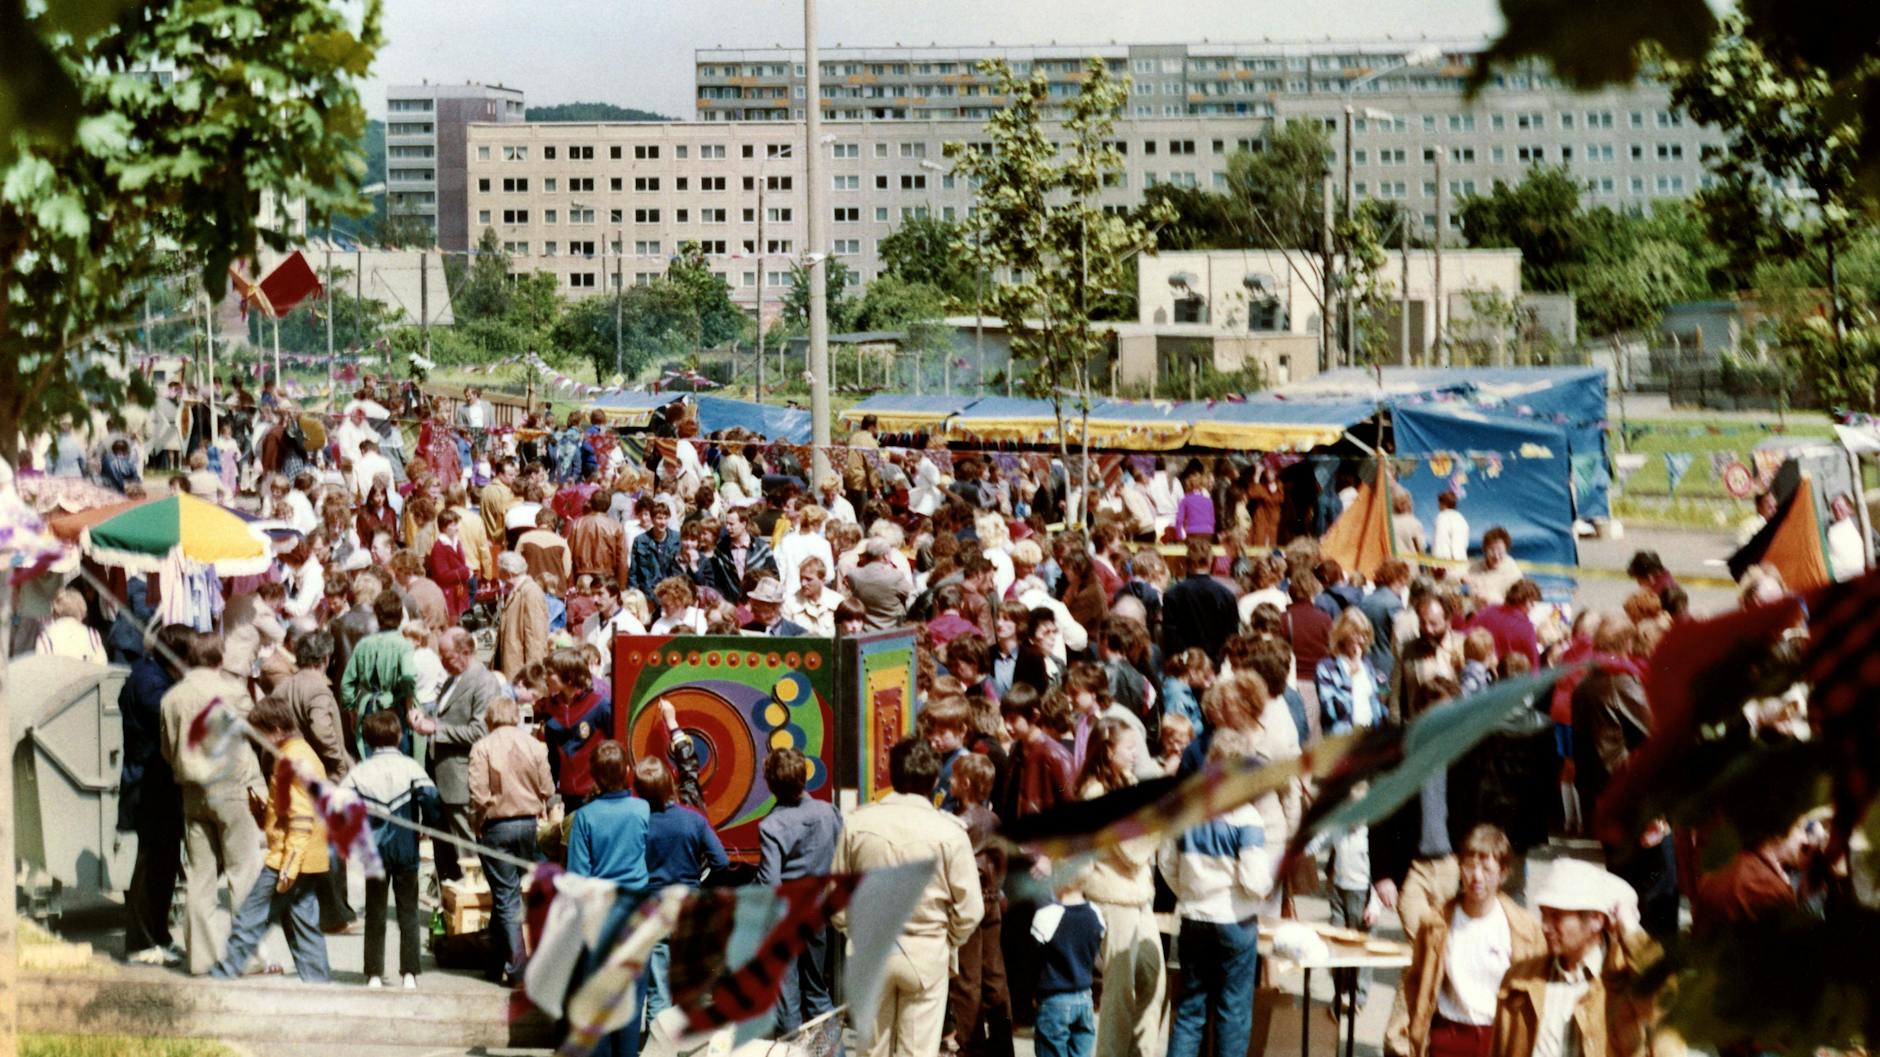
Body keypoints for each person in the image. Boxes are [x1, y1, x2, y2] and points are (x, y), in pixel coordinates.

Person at [833, 739, 984, 1057]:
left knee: (870, 1051)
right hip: (925, 953)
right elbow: (971, 908)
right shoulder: (949, 831)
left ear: (891, 774)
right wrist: (948, 939)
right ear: (934, 779)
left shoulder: (858, 823)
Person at [1160, 728, 1279, 1057]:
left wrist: (1189, 893)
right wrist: (1261, 889)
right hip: (1234, 920)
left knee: (1190, 1010)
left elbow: (1167, 864)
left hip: (1194, 915)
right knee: (1233, 1011)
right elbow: (1254, 881)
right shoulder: (1246, 817)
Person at [1387, 824, 1544, 1057]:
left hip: (1498, 1038)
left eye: (1487, 869)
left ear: (1503, 873)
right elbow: (1415, 982)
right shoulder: (1436, 923)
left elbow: (1540, 992)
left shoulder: (1524, 929)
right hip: (1449, 1037)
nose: (1477, 877)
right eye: (1469, 866)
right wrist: (1417, 1031)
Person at [160, 632, 266, 976]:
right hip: (231, 786)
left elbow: (167, 748)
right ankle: (246, 956)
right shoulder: (232, 693)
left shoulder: (172, 698)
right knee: (243, 873)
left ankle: (199, 958)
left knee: (199, 878)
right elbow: (259, 732)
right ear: (220, 659)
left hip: (191, 790)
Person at [209, 695, 332, 983]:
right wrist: (267, 813)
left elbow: (301, 817)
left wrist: (289, 865)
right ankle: (319, 985)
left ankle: (224, 975)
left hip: (289, 858)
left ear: (275, 729)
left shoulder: (290, 759)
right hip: (308, 856)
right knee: (303, 924)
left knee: (251, 917)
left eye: (260, 734)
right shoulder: (302, 751)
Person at [1493, 860, 1657, 1057]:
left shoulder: (1625, 981)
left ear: (1595, 920)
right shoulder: (1519, 979)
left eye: (1556, 916)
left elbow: (1665, 998)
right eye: (1544, 915)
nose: (1544, 926)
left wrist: (1630, 930)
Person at [1078, 724, 1163, 1057]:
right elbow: (1132, 850)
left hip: (1139, 897)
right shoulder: (1095, 794)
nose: (1135, 753)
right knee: (1120, 992)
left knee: (1153, 981)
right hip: (1113, 899)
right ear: (1108, 751)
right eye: (1129, 747)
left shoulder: (1127, 783)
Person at [340, 709, 441, 989]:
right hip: (406, 848)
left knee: (375, 911)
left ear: (367, 739)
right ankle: (409, 974)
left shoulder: (359, 772)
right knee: (408, 911)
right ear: (398, 736)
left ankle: (374, 973)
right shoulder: (411, 767)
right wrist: (429, 824)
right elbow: (431, 800)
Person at [119, 623, 193, 965]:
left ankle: (158, 934)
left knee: (165, 862)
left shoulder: (153, 675)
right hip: (147, 784)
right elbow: (172, 719)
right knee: (150, 864)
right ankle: (140, 941)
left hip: (158, 782)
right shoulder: (150, 682)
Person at [468, 696, 554, 984]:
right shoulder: (534, 745)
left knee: (506, 896)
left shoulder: (482, 747)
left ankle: (518, 967)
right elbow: (547, 788)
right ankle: (494, 964)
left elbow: (479, 795)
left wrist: (476, 824)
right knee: (506, 894)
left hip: (497, 826)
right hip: (528, 825)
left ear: (490, 718)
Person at [757, 747, 843, 1035]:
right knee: (817, 990)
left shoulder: (771, 826)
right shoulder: (828, 812)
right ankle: (833, 1051)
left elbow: (770, 883)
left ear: (771, 784)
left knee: (788, 998)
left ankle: (794, 1049)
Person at [639, 755, 729, 1023]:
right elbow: (721, 861)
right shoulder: (693, 820)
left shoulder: (639, 823)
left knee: (658, 992)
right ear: (670, 784)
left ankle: (659, 1042)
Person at [944, 753, 1009, 1057]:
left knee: (966, 980)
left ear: (967, 783)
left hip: (968, 906)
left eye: (955, 777)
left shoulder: (959, 823)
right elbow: (1002, 860)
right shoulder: (992, 820)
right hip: (991, 903)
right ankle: (1002, 1043)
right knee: (994, 974)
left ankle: (972, 1046)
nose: (949, 781)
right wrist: (996, 891)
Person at [421, 628, 497, 883]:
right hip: (441, 777)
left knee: (466, 852)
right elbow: (445, 717)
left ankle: (473, 900)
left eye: (447, 657)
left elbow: (480, 731)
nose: (442, 663)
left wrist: (436, 729)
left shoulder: (484, 682)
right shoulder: (452, 679)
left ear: (465, 652)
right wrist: (425, 720)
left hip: (461, 779)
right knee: (444, 851)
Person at [1031, 875, 1106, 1057]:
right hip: (1085, 999)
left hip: (1054, 1000)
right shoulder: (1095, 913)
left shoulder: (1047, 916)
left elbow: (1032, 960)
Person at [340, 590, 417, 759]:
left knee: (372, 760)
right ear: (400, 615)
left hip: (369, 709)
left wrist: (352, 711)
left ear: (377, 615)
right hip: (394, 710)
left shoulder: (363, 644)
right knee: (398, 760)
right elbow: (408, 677)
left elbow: (347, 683)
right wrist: (409, 708)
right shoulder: (404, 645)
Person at [1162, 537, 1237, 661]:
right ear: (1210, 560)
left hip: (1184, 662)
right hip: (1215, 661)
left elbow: (1170, 635)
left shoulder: (1172, 595)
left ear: (1187, 562)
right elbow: (1231, 635)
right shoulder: (1226, 595)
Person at [495, 551, 549, 680]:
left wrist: (533, 675)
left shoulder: (531, 593)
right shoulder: (518, 590)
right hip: (513, 666)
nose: (499, 577)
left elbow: (535, 638)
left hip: (521, 672)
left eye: (500, 572)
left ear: (508, 573)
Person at [35, 588, 105, 664]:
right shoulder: (92, 635)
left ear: (55, 611)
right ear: (82, 610)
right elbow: (102, 664)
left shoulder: (45, 637)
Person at [427, 510, 474, 622]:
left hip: (457, 591)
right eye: (453, 525)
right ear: (443, 528)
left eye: (457, 524)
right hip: (447, 594)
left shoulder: (456, 542)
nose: (457, 528)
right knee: (449, 624)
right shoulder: (439, 547)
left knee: (455, 621)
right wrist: (465, 572)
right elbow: (442, 575)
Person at [1464, 527, 1523, 605]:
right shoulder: (1475, 566)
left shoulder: (1513, 571)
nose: (1496, 556)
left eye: (1500, 551)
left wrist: (1489, 598)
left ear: (1506, 550)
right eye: (1491, 550)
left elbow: (1517, 601)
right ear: (1484, 550)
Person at [1432, 491, 1469, 562]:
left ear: (1443, 504)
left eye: (1439, 503)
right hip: (1462, 560)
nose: (1438, 506)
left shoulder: (1442, 517)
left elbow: (1440, 543)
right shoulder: (1461, 519)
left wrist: (1436, 563)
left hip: (1446, 562)